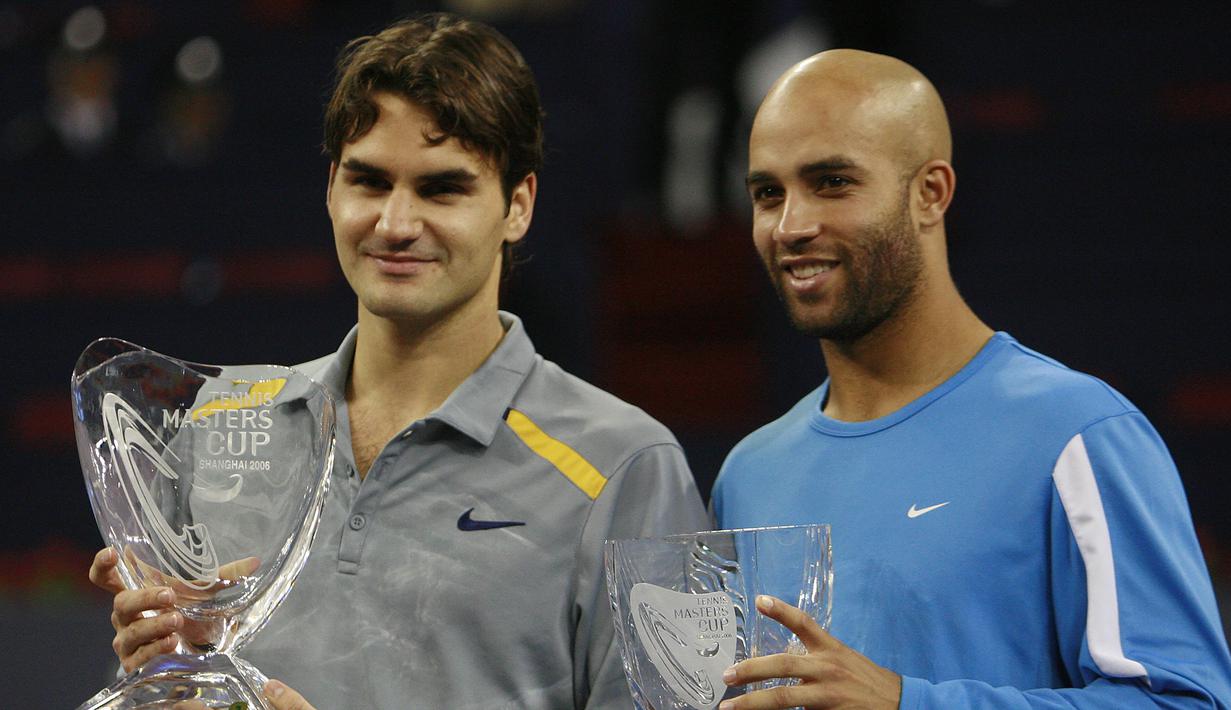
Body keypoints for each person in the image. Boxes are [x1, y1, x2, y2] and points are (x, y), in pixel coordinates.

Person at [88, 13, 707, 709]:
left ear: (518, 206)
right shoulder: (221, 429)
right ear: (331, 189)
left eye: (442, 188)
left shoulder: (627, 469)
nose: (395, 224)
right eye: (370, 181)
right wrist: (167, 667)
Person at [709, 49, 1231, 709]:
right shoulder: (748, 473)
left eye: (832, 182)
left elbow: (1186, 703)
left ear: (930, 193)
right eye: (767, 193)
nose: (791, 226)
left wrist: (906, 703)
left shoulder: (1076, 435)